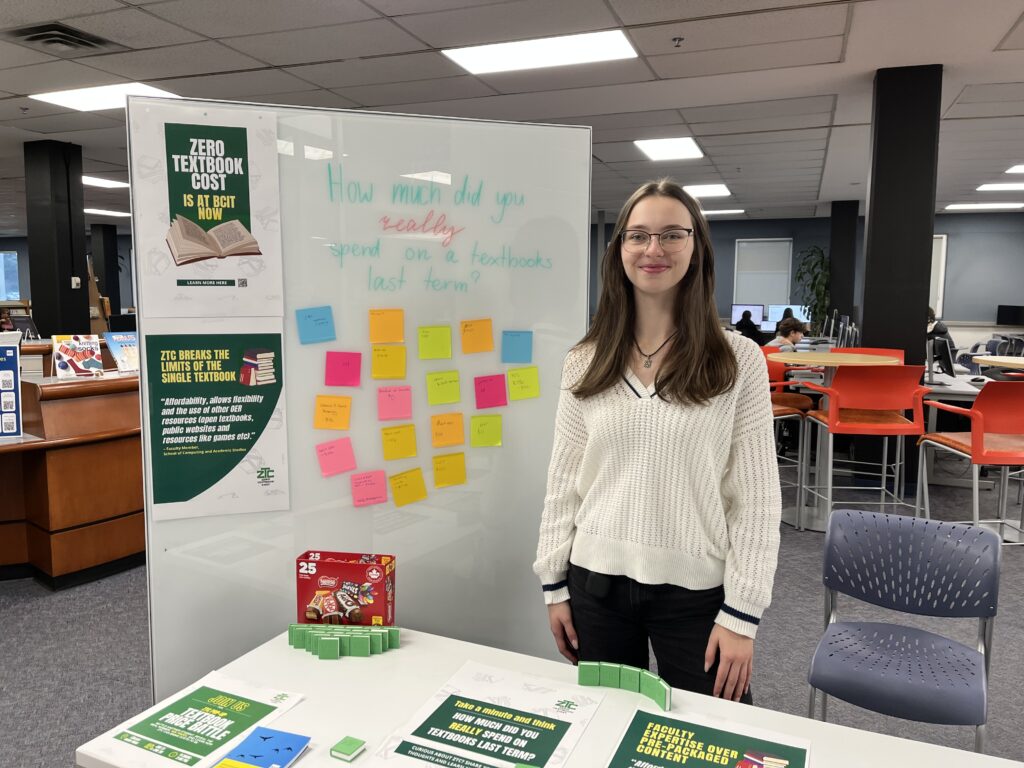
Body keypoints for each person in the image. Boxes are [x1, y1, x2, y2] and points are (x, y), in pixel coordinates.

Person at [533, 179, 781, 704]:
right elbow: (563, 480)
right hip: (594, 585)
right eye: (638, 235)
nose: (653, 249)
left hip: (696, 595)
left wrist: (744, 613)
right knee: (602, 728)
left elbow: (755, 500)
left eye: (672, 234)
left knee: (714, 738)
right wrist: (554, 584)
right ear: (618, 248)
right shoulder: (585, 359)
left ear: (697, 247)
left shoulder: (738, 362)